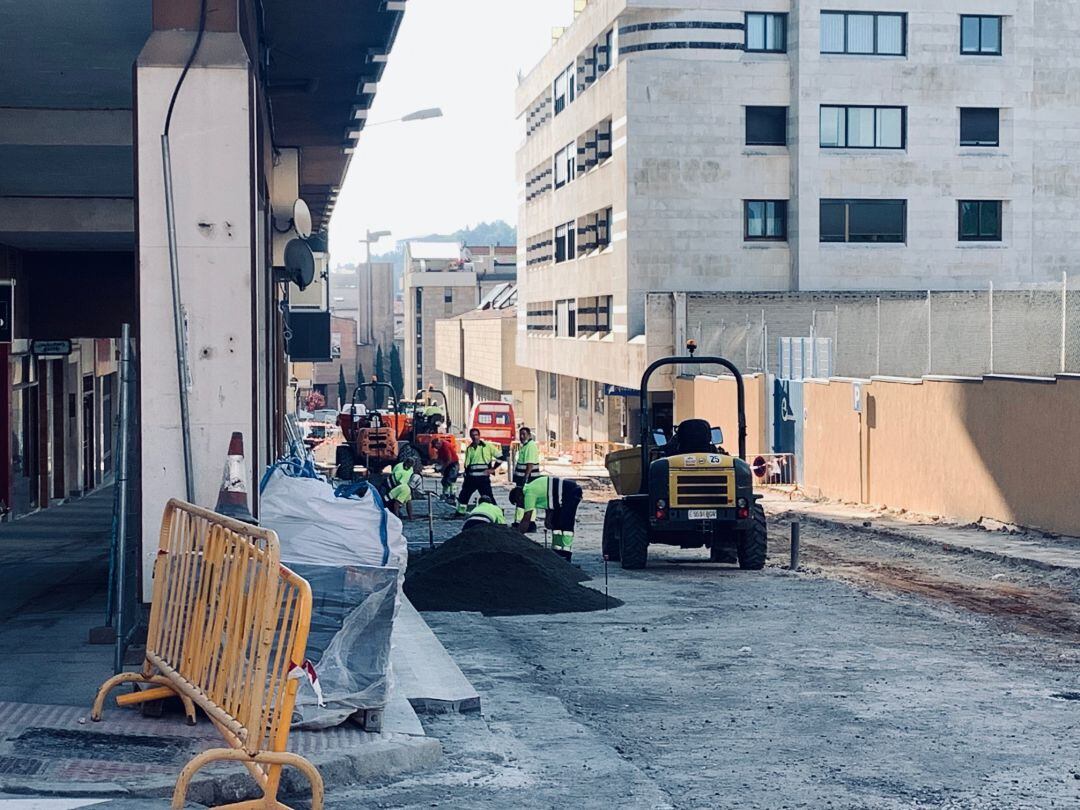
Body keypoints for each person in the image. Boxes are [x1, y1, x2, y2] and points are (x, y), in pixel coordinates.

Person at [509, 475, 583, 562]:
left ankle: (566, 553)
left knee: (565, 523)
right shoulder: (531, 488)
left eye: (518, 504)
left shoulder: (529, 493)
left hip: (571, 492)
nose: (521, 506)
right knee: (555, 523)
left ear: (519, 497)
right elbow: (548, 499)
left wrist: (517, 535)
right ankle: (557, 551)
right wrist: (548, 518)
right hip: (561, 496)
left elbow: (526, 519)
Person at [456, 428, 501, 516]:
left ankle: (497, 513)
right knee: (463, 496)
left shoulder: (487, 446)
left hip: (483, 479)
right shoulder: (470, 448)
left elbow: (500, 457)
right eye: (472, 435)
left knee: (488, 497)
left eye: (476, 435)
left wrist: (493, 469)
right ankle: (460, 513)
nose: (474, 437)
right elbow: (468, 464)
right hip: (471, 479)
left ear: (479, 435)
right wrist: (466, 475)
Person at [512, 426, 542, 528]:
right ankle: (527, 522)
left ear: (529, 435)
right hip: (523, 479)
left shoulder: (530, 446)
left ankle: (523, 522)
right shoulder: (525, 446)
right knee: (525, 500)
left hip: (528, 479)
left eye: (524, 434)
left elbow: (530, 464)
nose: (521, 436)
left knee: (523, 500)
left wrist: (525, 478)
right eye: (520, 434)